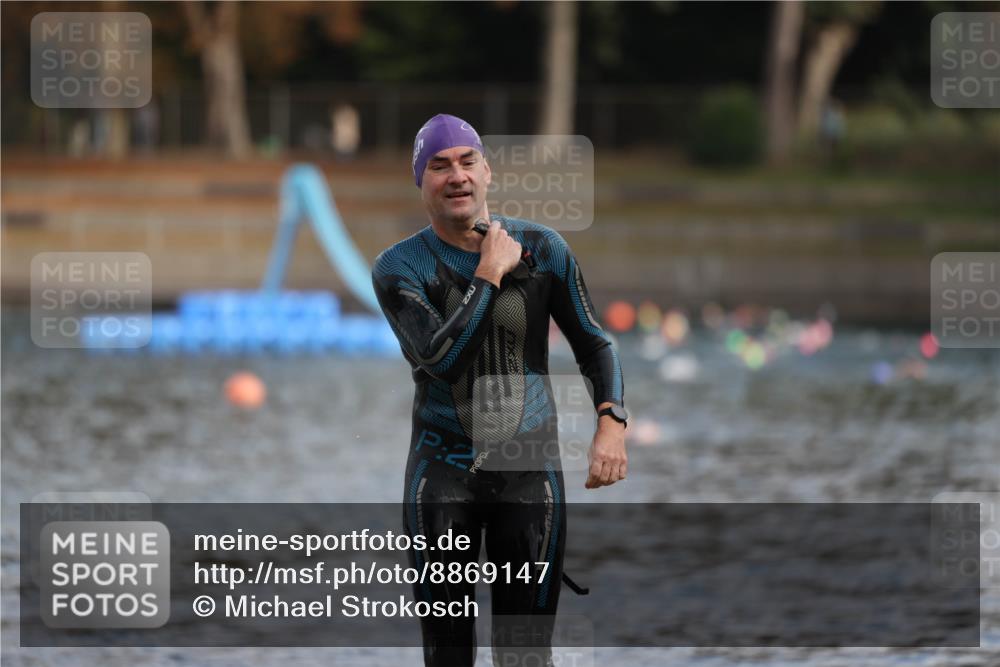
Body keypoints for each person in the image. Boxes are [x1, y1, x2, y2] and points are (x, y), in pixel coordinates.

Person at [372, 114, 628, 667]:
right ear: (421, 182)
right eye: (439, 166)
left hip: (528, 475)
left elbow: (595, 344)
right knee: (448, 658)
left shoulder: (544, 249)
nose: (456, 176)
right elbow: (440, 360)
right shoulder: (398, 268)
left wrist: (611, 425)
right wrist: (489, 275)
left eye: (467, 162)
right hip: (442, 479)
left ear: (487, 171)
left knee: (526, 657)